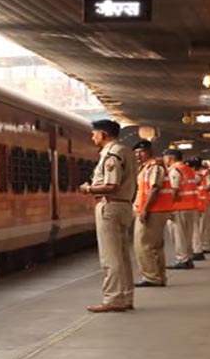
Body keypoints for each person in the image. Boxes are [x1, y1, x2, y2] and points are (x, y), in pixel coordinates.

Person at [77, 120, 136, 312]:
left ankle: (113, 299)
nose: (92, 137)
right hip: (123, 205)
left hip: (110, 206)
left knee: (110, 256)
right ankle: (126, 296)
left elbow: (112, 186)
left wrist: (88, 189)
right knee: (122, 256)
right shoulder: (126, 151)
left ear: (103, 134)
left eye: (94, 133)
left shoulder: (112, 154)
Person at [132, 140, 172, 287]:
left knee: (143, 245)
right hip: (156, 209)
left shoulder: (154, 167)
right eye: (136, 152)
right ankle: (159, 276)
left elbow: (154, 188)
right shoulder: (147, 167)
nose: (138, 155)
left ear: (149, 151)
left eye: (141, 152)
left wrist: (145, 209)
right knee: (155, 246)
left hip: (153, 210)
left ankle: (151, 277)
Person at [163, 149, 199, 270]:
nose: (164, 160)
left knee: (178, 235)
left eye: (165, 158)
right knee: (188, 234)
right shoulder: (188, 169)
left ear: (171, 158)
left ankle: (182, 259)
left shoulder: (175, 170)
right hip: (191, 206)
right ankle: (188, 258)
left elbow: (174, 189)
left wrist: (168, 206)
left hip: (179, 207)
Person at [188, 156, 210, 260]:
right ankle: (204, 246)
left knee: (196, 228)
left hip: (197, 203)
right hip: (203, 202)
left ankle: (198, 250)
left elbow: (209, 186)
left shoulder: (197, 174)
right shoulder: (205, 173)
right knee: (203, 227)